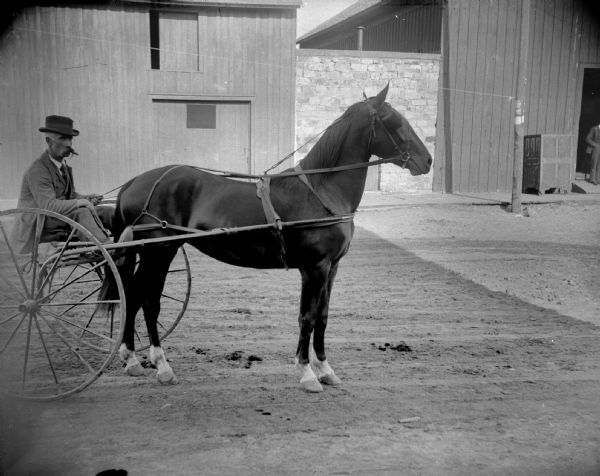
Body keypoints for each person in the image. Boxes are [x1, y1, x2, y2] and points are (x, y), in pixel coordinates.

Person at [11, 115, 112, 253]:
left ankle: (122, 242)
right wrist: (80, 203)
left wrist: (86, 198)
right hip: (38, 225)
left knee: (107, 212)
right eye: (62, 138)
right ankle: (108, 249)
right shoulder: (38, 171)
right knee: (82, 212)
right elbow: (49, 206)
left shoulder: (62, 166)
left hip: (58, 218)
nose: (69, 144)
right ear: (48, 141)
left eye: (70, 138)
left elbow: (68, 195)